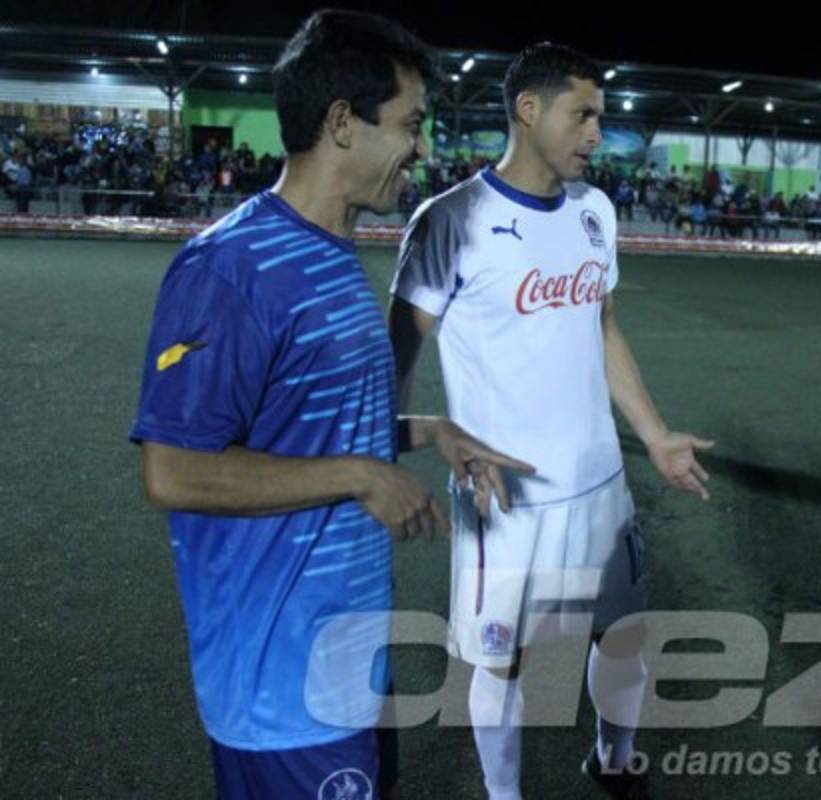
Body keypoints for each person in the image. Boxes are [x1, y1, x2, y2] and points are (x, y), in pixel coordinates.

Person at [129, 11, 526, 798]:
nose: (422, 147)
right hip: (278, 690)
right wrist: (358, 476)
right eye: (410, 125)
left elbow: (312, 426)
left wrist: (429, 430)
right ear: (343, 124)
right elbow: (172, 473)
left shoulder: (334, 257)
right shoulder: (231, 269)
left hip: (344, 661)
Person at [389, 42, 713, 800]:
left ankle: (613, 758)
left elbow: (601, 327)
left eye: (600, 115)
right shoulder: (449, 222)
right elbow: (393, 364)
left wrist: (654, 433)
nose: (597, 132)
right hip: (508, 499)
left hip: (602, 484)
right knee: (502, 665)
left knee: (624, 639)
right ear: (528, 111)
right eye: (583, 114)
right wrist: (403, 450)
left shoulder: (595, 212)